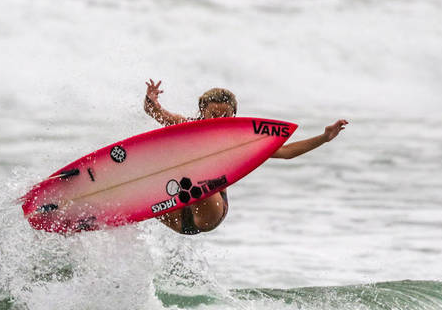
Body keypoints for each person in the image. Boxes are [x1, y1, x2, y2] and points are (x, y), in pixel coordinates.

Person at [143, 79, 348, 235]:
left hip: (210, 212)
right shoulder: (185, 125)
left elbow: (287, 152)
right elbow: (154, 111)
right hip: (176, 214)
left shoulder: (239, 143)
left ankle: (185, 185)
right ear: (201, 112)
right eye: (213, 114)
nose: (219, 120)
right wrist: (150, 99)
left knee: (190, 174)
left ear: (234, 116)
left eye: (226, 116)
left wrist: (324, 138)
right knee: (150, 177)